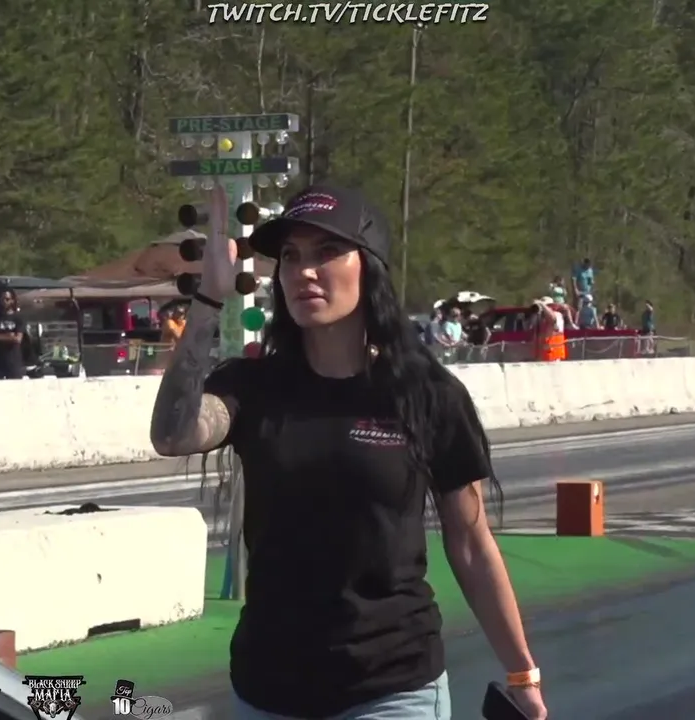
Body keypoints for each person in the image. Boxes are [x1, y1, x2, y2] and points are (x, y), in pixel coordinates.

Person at [148, 184, 547, 720]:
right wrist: (207, 301)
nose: (304, 271)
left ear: (370, 267)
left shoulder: (426, 394)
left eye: (327, 252)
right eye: (291, 256)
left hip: (392, 688)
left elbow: (471, 543)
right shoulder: (252, 387)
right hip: (268, 688)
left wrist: (522, 673)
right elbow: (172, 436)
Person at [0, 289, 25, 379]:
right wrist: (9, 336)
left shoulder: (18, 318)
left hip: (13, 361)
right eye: (2, 299)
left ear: (12, 300)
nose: (4, 302)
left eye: (7, 299)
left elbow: (18, 339)